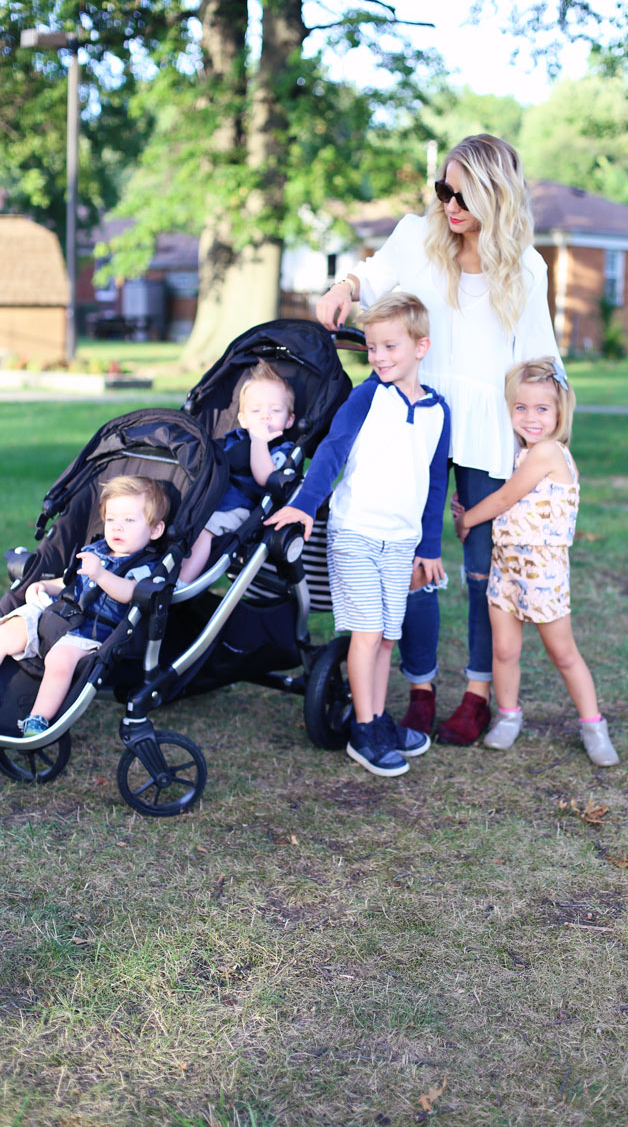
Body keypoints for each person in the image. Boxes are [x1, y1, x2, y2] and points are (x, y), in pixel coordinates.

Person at [316, 134, 560, 745]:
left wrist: (547, 442)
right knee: (410, 561)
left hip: (488, 433)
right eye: (442, 189)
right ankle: (420, 687)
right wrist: (344, 288)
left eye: (463, 193)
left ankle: (477, 694)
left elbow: (540, 360)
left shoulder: (526, 267)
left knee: (482, 572)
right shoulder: (416, 240)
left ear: (495, 195)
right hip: (415, 422)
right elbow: (369, 279)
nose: (449, 204)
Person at [267, 292, 450, 777]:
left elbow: (436, 483)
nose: (379, 357)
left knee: (388, 636)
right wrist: (304, 505)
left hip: (401, 541)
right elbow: (330, 451)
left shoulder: (438, 412)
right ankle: (364, 731)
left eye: (390, 347)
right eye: (371, 348)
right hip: (356, 534)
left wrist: (428, 546)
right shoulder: (367, 397)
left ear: (421, 346)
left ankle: (376, 717)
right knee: (366, 634)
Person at [454, 357, 619, 765]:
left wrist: (466, 520)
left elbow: (506, 498)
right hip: (506, 568)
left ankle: (593, 725)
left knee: (562, 653)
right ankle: (509, 716)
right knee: (505, 650)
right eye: (521, 408)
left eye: (542, 408)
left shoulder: (547, 452)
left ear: (560, 412)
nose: (530, 417)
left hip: (543, 573)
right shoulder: (521, 453)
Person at [0, 474, 169, 738]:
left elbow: (130, 594)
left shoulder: (144, 566)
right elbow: (72, 581)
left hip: (90, 632)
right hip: (58, 614)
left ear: (155, 529)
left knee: (60, 660)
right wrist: (47, 586)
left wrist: (101, 575)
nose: (117, 527)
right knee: (7, 631)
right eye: (111, 519)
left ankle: (37, 718)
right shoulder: (97, 549)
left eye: (129, 520)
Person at [180, 360, 295, 584]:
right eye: (256, 410)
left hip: (241, 509)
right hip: (212, 500)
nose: (265, 416)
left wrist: (259, 442)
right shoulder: (232, 439)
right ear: (243, 419)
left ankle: (183, 582)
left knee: (205, 530)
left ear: (290, 419)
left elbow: (266, 478)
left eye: (275, 410)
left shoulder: (282, 449)